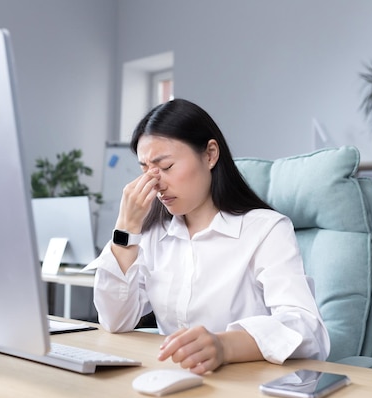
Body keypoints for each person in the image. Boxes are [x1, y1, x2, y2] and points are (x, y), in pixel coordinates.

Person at [87, 98, 330, 375]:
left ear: (210, 155)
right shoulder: (153, 234)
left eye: (166, 167)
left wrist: (224, 346)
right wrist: (126, 228)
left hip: (246, 388)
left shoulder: (265, 230)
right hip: (171, 381)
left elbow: (307, 328)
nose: (156, 183)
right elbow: (115, 320)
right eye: (145, 170)